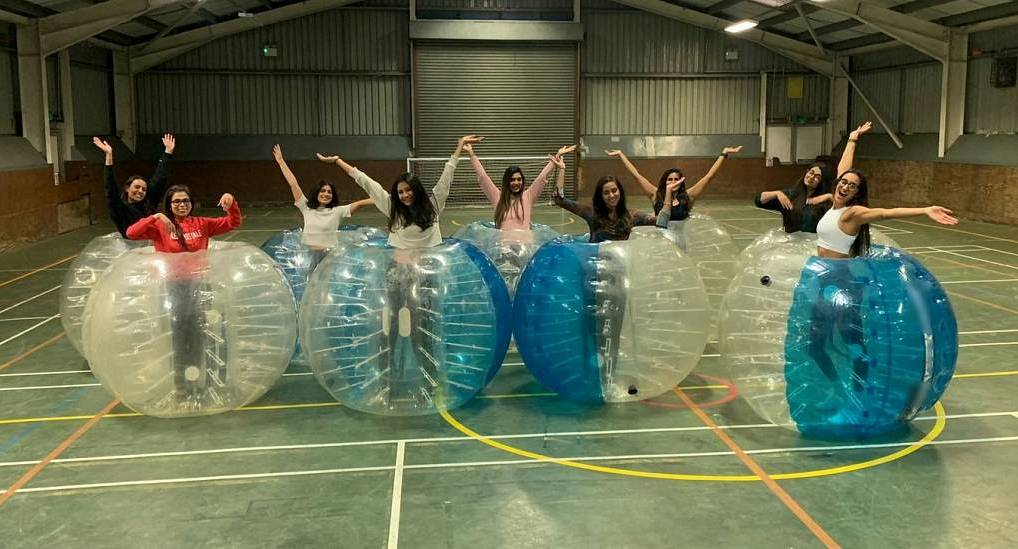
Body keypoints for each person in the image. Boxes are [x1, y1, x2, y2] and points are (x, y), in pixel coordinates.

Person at [317, 136, 483, 408]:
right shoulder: (392, 209)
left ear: (415, 190)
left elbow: (447, 176)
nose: (404, 195)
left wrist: (458, 149)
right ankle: (387, 381)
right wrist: (338, 162)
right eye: (401, 191)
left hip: (426, 279)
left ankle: (429, 382)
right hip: (396, 278)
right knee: (390, 330)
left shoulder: (433, 207)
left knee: (424, 331)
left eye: (408, 190)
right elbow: (365, 181)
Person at [808, 168, 958, 397]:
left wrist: (925, 210)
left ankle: (858, 395)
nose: (845, 186)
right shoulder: (833, 207)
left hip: (842, 284)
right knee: (816, 346)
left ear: (857, 193)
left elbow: (886, 213)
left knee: (855, 347)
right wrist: (852, 139)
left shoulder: (853, 213)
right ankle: (838, 388)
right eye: (844, 182)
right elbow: (844, 166)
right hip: (825, 281)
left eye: (852, 186)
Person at [125, 185, 242, 403]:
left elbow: (233, 222)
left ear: (191, 203)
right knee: (180, 339)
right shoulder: (161, 226)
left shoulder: (202, 224)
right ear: (169, 205)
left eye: (185, 201)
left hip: (199, 287)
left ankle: (203, 384)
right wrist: (156, 217)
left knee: (201, 337)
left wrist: (231, 202)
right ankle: (182, 386)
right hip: (174, 290)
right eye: (176, 202)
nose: (181, 205)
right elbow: (131, 233)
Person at [755, 122, 873, 233]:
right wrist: (776, 193)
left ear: (822, 181)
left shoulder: (828, 201)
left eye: (817, 176)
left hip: (813, 246)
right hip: (791, 246)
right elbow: (759, 200)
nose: (811, 177)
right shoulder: (791, 195)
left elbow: (843, 175)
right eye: (810, 173)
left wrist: (852, 140)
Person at [606, 145, 743, 221]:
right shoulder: (655, 194)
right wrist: (621, 155)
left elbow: (709, 177)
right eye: (669, 179)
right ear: (665, 182)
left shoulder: (688, 196)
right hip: (661, 242)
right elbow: (637, 176)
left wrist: (724, 153)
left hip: (680, 243)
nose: (673, 182)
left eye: (676, 179)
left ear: (681, 181)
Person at [465, 141, 577, 230]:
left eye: (519, 179)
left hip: (525, 248)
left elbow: (542, 177)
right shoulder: (497, 197)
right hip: (504, 250)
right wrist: (471, 155)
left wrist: (557, 156)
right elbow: (483, 177)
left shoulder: (528, 196)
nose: (516, 183)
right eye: (512, 180)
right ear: (507, 182)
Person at [94, 134, 175, 237]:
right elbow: (110, 188)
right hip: (132, 248)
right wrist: (109, 155)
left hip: (151, 245)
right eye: (136, 187)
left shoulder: (148, 202)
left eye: (144, 189)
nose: (140, 191)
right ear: (127, 188)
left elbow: (160, 177)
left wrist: (168, 152)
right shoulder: (119, 208)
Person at [552, 173, 660, 243]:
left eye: (614, 190)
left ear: (620, 192)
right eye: (606, 193)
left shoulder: (631, 216)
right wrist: (562, 168)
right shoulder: (591, 212)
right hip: (596, 264)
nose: (612, 196)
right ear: (601, 196)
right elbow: (559, 200)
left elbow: (658, 221)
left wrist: (669, 196)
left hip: (619, 266)